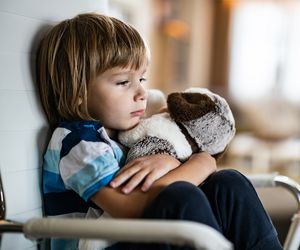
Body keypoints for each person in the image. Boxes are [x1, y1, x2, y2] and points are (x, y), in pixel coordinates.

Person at [36, 12, 283, 250]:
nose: (141, 92)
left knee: (229, 184)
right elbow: (129, 208)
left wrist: (170, 161)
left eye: (142, 79)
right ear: (78, 93)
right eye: (123, 82)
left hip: (138, 238)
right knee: (182, 198)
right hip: (105, 243)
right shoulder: (76, 141)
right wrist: (203, 162)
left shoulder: (123, 133)